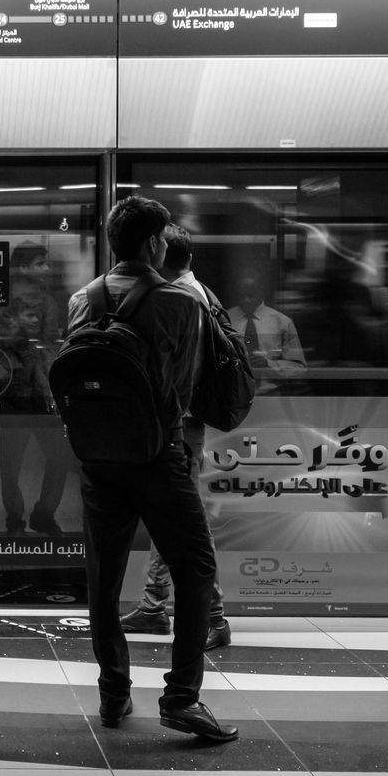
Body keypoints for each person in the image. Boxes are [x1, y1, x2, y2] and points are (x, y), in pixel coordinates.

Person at [65, 196, 238, 742]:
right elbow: (181, 393)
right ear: (154, 242)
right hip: (158, 457)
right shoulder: (179, 304)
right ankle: (181, 698)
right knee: (196, 569)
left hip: (97, 461)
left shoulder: (80, 301)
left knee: (103, 579)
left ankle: (114, 694)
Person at [118, 224, 231, 651]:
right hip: (180, 423)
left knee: (187, 521)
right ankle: (152, 605)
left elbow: (182, 371)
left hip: (179, 424)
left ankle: (214, 617)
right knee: (172, 516)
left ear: (161, 254)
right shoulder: (194, 292)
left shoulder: (184, 299)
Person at [0, 261, 73, 537]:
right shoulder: (11, 302)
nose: (46, 268)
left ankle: (38, 514)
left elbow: (49, 345)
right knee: (11, 463)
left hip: (35, 393)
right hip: (21, 392)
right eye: (39, 262)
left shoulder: (47, 302)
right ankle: (18, 519)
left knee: (55, 456)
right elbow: (11, 342)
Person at [227, 267, 306, 394]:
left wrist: (269, 364)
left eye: (251, 295)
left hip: (271, 396)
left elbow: (299, 368)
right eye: (242, 295)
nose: (246, 300)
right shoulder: (224, 321)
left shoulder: (282, 322)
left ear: (261, 291)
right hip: (232, 395)